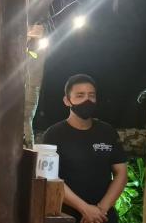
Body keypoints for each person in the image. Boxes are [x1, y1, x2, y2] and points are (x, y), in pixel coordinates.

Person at [43, 74, 127, 223]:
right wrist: (85, 209)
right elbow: (50, 178)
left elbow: (121, 173)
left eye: (91, 95)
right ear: (67, 101)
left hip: (103, 217)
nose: (87, 100)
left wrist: (100, 210)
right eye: (80, 95)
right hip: (66, 215)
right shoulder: (53, 134)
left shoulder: (107, 131)